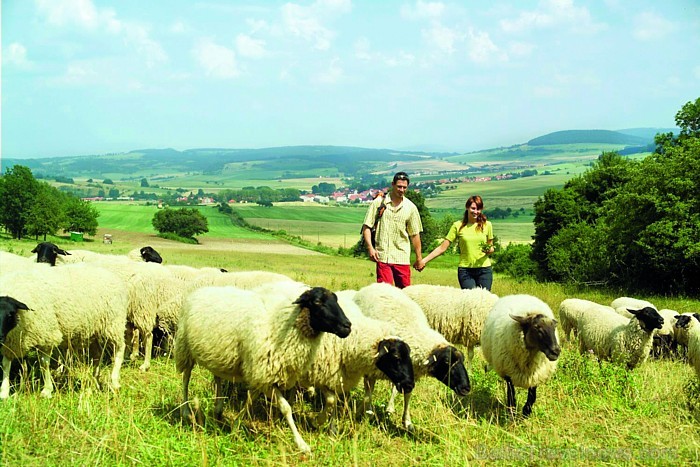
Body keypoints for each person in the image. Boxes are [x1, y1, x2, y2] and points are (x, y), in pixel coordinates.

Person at [414, 195, 494, 290]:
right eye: (473, 208)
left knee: (484, 301)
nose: (476, 212)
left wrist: (489, 250)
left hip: (484, 270)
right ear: (467, 207)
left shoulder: (487, 225)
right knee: (469, 300)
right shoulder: (457, 226)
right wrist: (423, 261)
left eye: (479, 209)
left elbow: (491, 246)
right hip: (466, 270)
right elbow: (442, 248)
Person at [362, 171, 423, 289]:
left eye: (404, 187)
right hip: (383, 256)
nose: (402, 190)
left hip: (402, 257)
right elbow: (367, 227)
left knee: (405, 293)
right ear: (392, 185)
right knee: (384, 293)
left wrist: (419, 258)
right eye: (399, 186)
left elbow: (415, 235)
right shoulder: (379, 203)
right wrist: (370, 248)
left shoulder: (411, 208)